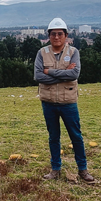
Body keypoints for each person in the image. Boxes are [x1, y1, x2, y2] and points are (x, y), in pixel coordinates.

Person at [34, 18, 95, 184]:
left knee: (76, 136)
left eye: (60, 34)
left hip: (68, 102)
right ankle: (55, 169)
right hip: (48, 102)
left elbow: (74, 74)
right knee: (54, 137)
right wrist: (62, 74)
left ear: (66, 35)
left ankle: (83, 170)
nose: (56, 37)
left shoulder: (73, 52)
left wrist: (49, 72)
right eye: (53, 34)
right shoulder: (42, 53)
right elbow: (38, 76)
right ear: (49, 36)